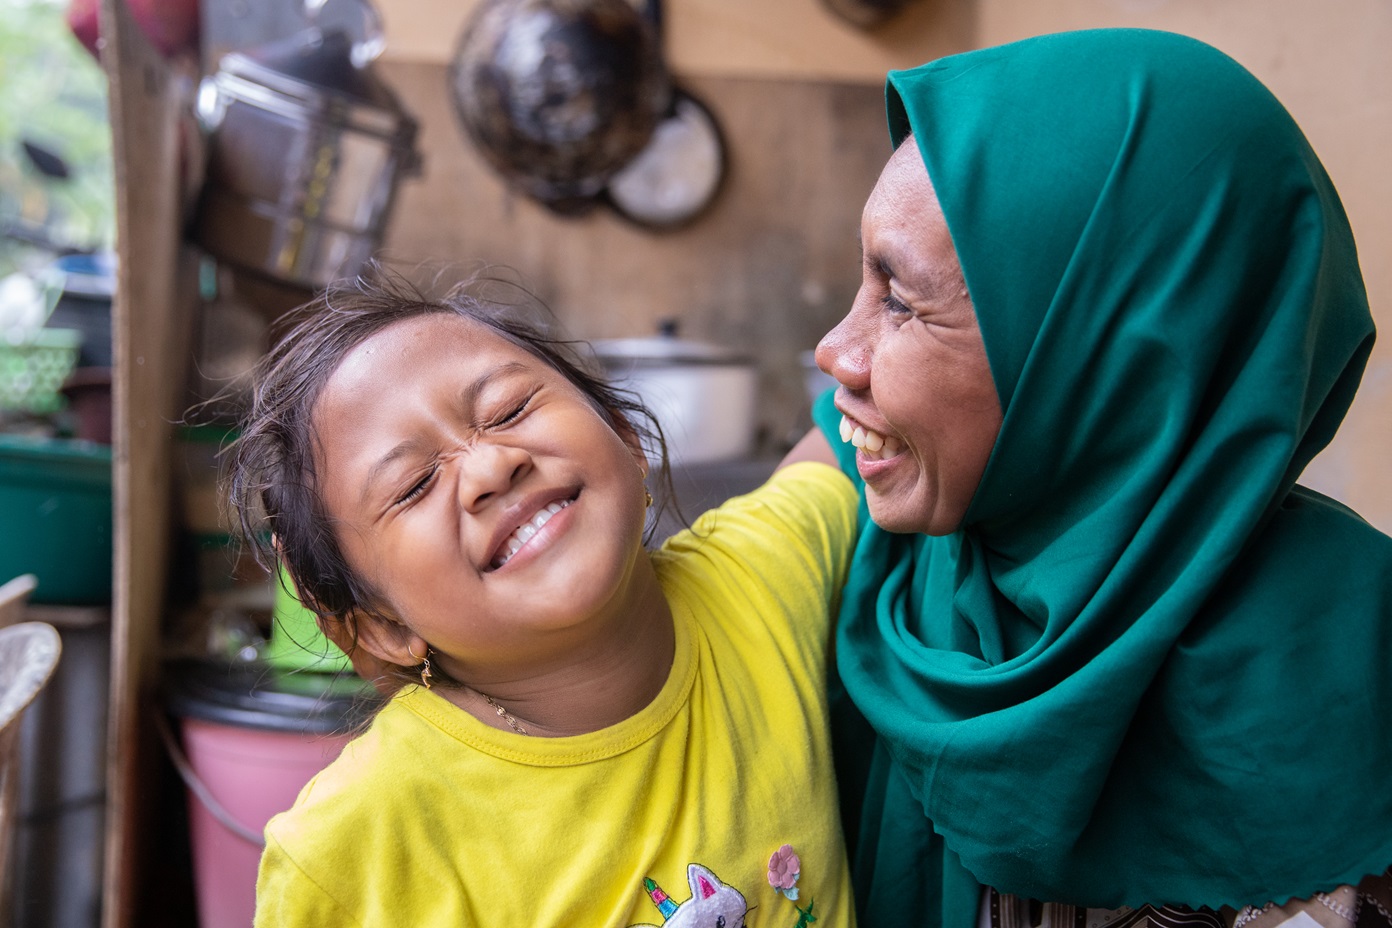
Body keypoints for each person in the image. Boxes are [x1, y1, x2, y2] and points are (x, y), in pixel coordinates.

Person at [791, 27, 1392, 928]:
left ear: (1107, 359)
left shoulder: (1355, 680)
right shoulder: (891, 516)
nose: (834, 351)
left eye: (900, 299)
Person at [227, 272, 860, 927]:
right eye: (413, 485)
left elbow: (857, 422)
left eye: (508, 411)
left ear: (624, 435)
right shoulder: (356, 848)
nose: (491, 466)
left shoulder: (757, 578)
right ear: (383, 628)